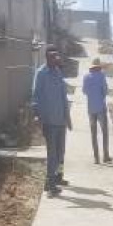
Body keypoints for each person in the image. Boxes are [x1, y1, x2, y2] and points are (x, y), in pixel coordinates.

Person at [31, 44, 71, 198]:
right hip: (49, 121)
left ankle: (57, 178)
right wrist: (36, 114)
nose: (57, 59)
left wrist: (68, 118)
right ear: (47, 58)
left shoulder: (58, 73)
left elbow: (63, 97)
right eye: (54, 57)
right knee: (52, 154)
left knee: (61, 152)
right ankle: (50, 185)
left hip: (60, 120)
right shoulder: (41, 74)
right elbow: (36, 95)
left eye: (57, 56)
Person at [82, 57, 111, 164]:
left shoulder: (86, 77)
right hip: (101, 108)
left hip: (90, 109)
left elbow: (84, 91)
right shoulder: (102, 76)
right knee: (104, 132)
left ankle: (96, 158)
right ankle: (105, 156)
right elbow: (105, 91)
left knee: (93, 134)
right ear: (99, 67)